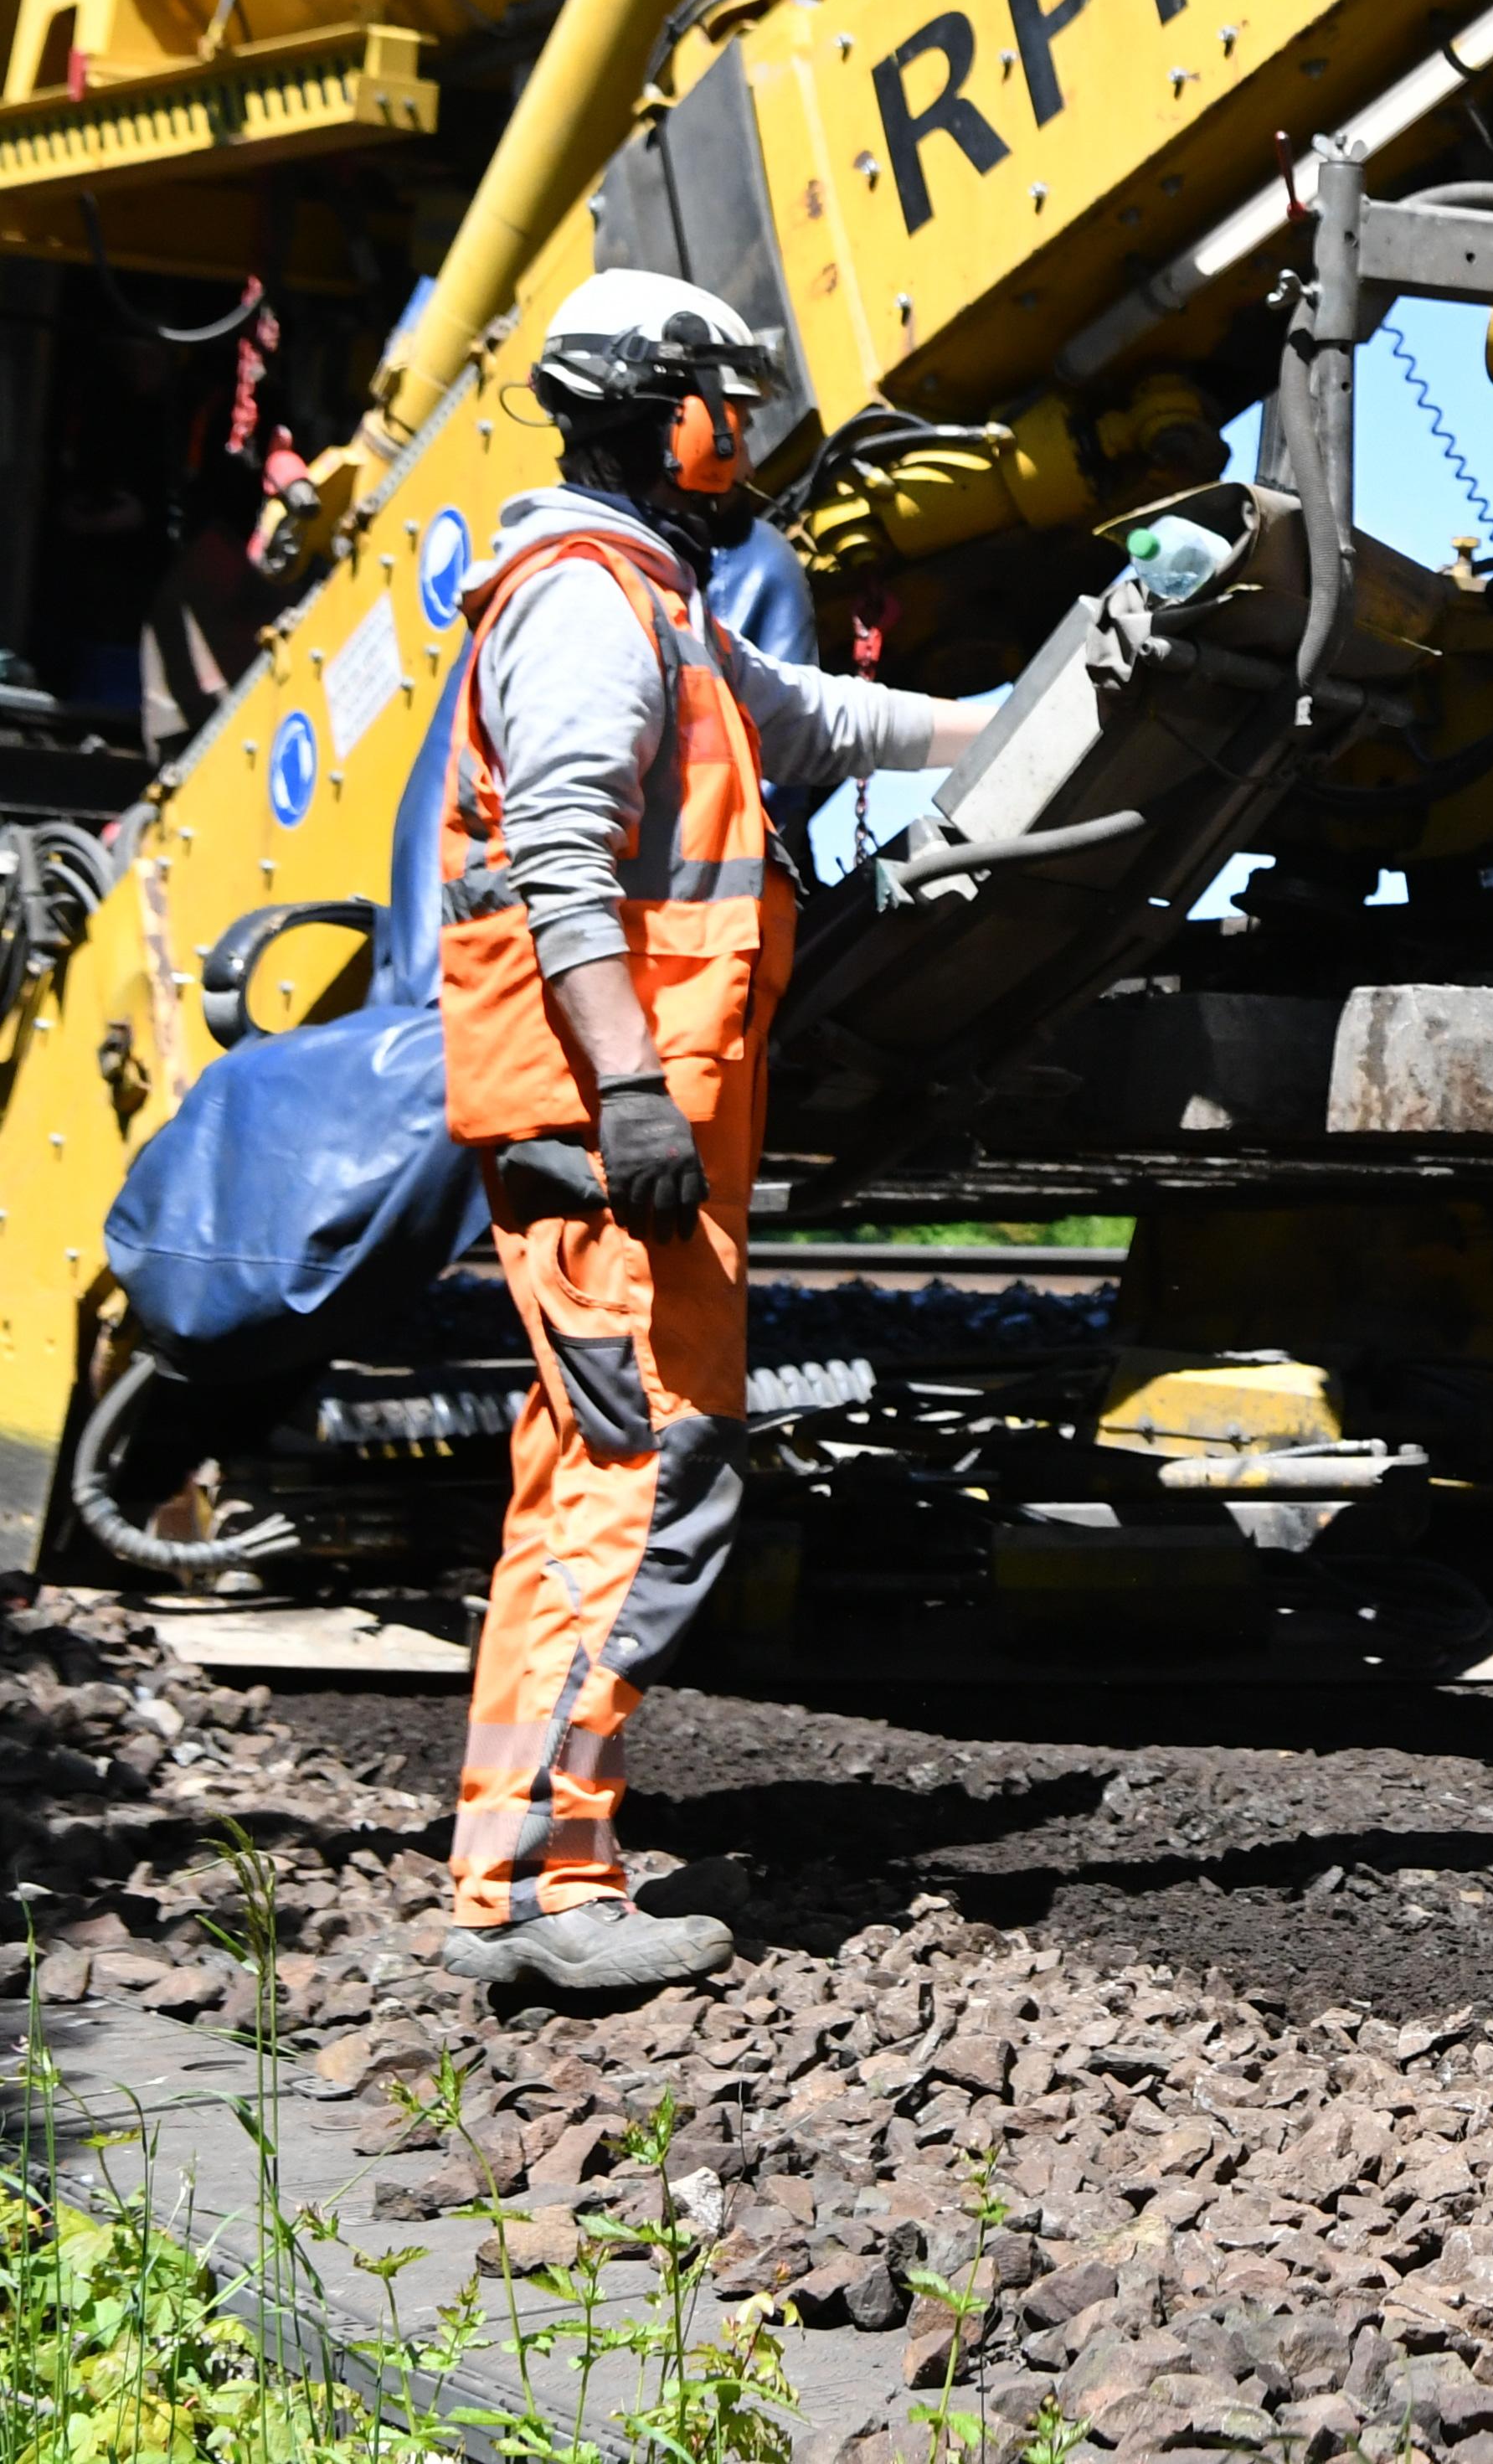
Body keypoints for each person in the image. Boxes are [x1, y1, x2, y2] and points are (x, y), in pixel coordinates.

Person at [433, 270, 988, 1992]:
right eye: (720, 404)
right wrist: (631, 1089)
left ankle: (520, 1869)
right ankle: (550, 1890)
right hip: (618, 1131)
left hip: (625, 1122)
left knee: (589, 1477)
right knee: (646, 1470)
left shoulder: (649, 599)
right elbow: (565, 863)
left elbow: (815, 715)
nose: (737, 436)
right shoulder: (590, 604)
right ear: (647, 409)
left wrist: (1028, 712)